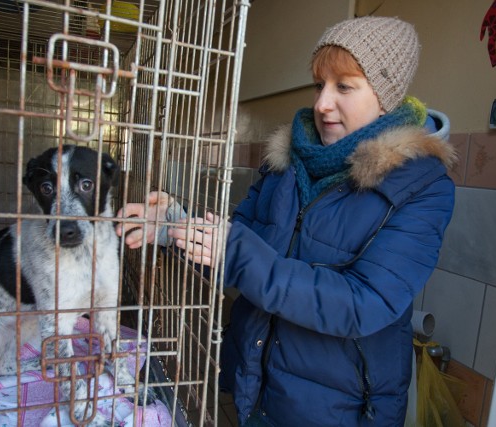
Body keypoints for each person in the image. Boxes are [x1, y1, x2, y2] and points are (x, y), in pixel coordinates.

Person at [117, 16, 456, 427]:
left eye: (343, 87)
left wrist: (234, 250)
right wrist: (173, 226)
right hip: (256, 385)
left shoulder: (422, 186)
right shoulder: (286, 165)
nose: (322, 104)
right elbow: (239, 247)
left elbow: (365, 302)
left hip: (338, 410)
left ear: (387, 96)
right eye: (319, 85)